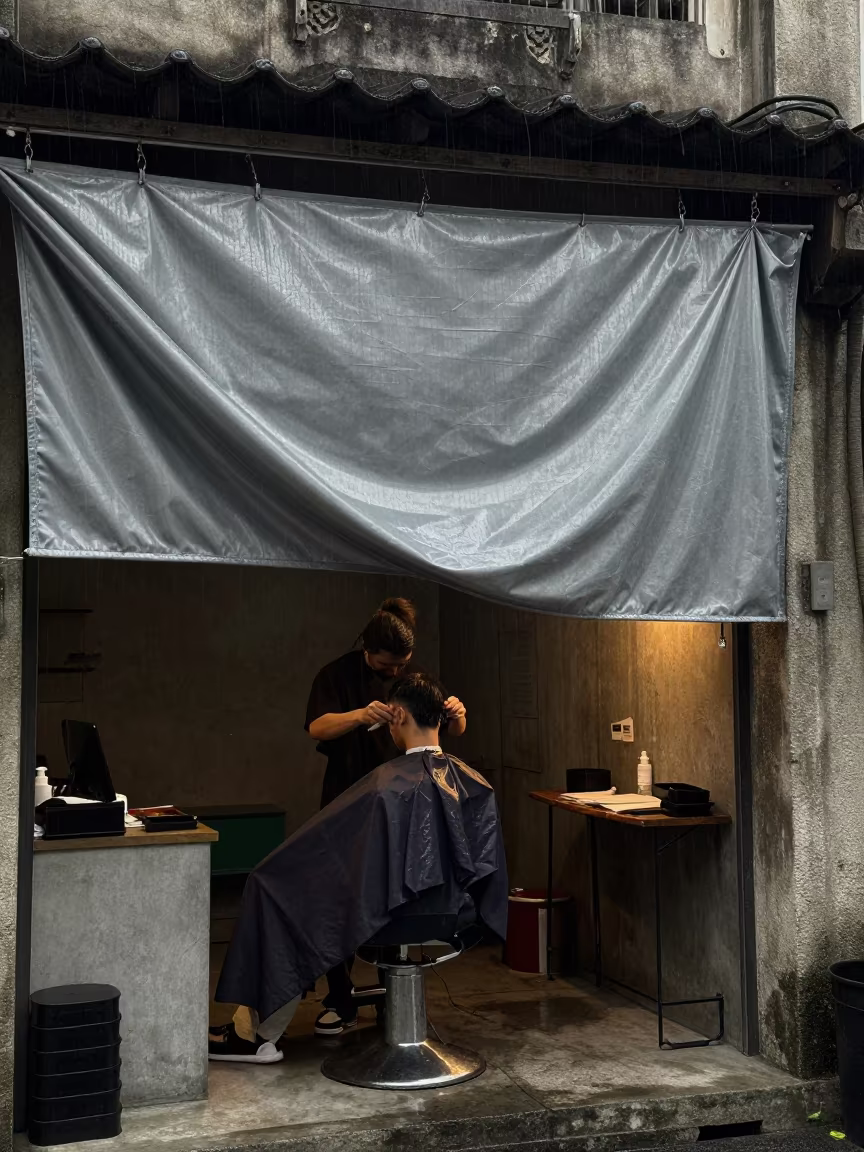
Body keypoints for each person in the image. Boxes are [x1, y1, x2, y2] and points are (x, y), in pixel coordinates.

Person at [209, 672, 504, 1065]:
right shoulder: (473, 783)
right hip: (452, 916)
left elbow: (339, 862)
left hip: (386, 918)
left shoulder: (386, 786)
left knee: (274, 891)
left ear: (398, 716)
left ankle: (254, 1037)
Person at [304, 597, 467, 1034]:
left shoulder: (414, 681)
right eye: (385, 664)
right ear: (367, 649)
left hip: (401, 804)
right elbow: (316, 727)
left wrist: (458, 714)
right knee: (341, 900)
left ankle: (392, 999)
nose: (394, 672)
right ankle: (339, 999)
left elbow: (450, 729)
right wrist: (359, 715)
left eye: (402, 665)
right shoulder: (336, 675)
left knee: (392, 897)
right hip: (349, 801)